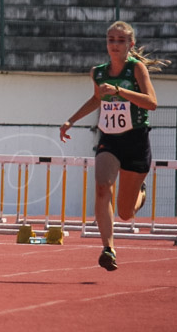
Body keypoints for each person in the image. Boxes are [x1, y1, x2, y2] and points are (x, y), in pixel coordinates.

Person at [59, 21, 167, 271]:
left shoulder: (136, 69)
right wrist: (71, 120)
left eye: (120, 40)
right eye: (111, 39)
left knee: (125, 213)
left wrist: (119, 91)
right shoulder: (98, 72)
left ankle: (140, 193)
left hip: (136, 139)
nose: (115, 44)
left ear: (130, 44)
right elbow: (97, 99)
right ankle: (108, 248)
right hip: (110, 138)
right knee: (101, 186)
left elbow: (152, 102)